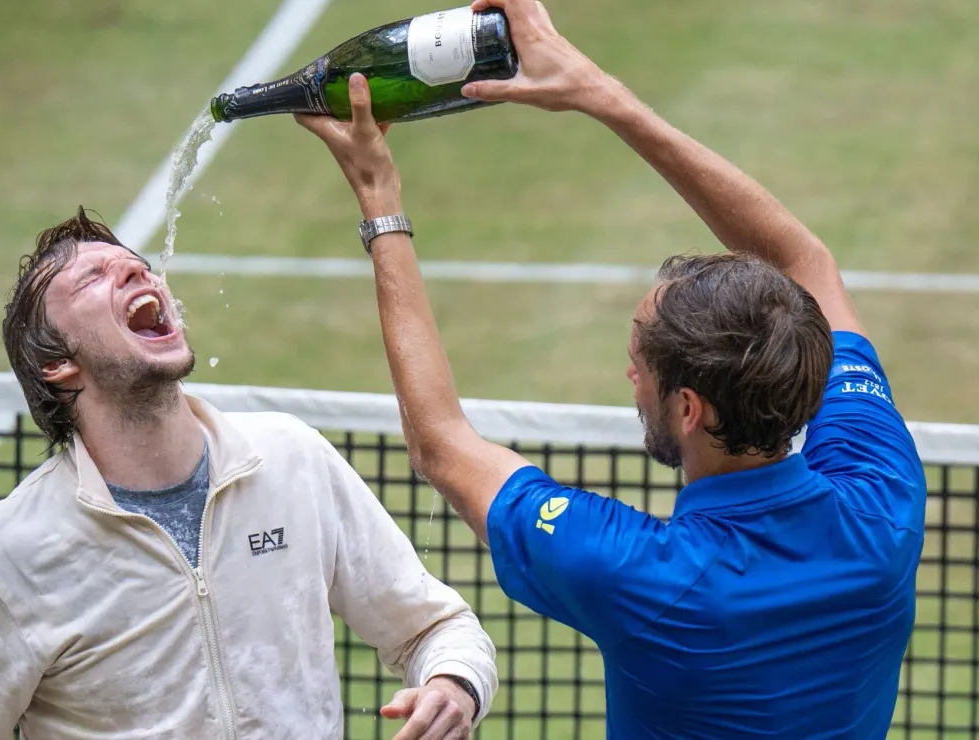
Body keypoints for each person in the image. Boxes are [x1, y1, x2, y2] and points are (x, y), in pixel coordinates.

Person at [294, 0, 927, 735]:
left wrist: (379, 201)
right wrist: (602, 96)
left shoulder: (644, 577)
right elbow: (806, 263)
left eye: (640, 361)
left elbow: (441, 443)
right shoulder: (884, 501)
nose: (631, 375)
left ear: (689, 409)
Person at [0, 208, 497, 739]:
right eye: (92, 278)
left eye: (137, 267)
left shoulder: (292, 459)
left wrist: (453, 687)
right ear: (59, 364)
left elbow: (434, 626)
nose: (138, 274)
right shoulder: (8, 554)